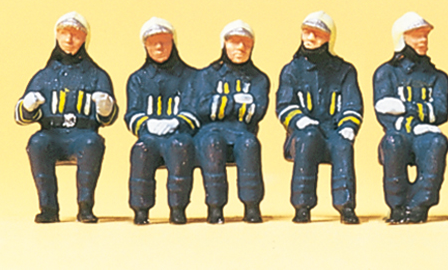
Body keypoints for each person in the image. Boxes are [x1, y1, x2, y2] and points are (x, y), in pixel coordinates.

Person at [15, 11, 118, 223]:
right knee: (37, 142)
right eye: (64, 33)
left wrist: (105, 109)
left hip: (83, 134)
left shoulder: (97, 76)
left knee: (93, 142)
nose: (69, 39)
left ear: (85, 38)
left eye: (76, 34)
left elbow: (108, 119)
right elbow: (20, 116)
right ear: (56, 36)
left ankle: (85, 207)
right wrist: (28, 105)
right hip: (52, 134)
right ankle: (48, 208)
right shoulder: (44, 76)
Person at [275, 11, 363, 224]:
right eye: (306, 32)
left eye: (317, 33)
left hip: (333, 130)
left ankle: (346, 206)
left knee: (343, 146)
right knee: (308, 140)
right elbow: (284, 105)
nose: (310, 37)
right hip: (304, 132)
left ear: (329, 38)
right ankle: (302, 206)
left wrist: (348, 126)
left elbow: (352, 104)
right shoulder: (291, 70)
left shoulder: (344, 70)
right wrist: (300, 121)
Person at [373, 12, 448, 224]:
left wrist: (405, 108)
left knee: (437, 142)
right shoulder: (386, 73)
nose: (423, 40)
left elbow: (441, 111)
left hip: (425, 133)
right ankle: (397, 206)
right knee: (393, 143)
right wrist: (416, 123)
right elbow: (384, 112)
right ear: (402, 38)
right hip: (398, 132)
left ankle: (419, 205)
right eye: (417, 36)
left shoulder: (438, 77)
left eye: (425, 35)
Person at [193, 20, 270, 224]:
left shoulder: (259, 79)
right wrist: (235, 101)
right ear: (224, 44)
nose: (241, 47)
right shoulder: (207, 75)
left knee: (249, 145)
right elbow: (201, 108)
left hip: (242, 131)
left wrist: (220, 104)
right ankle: (215, 208)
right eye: (234, 42)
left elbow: (257, 111)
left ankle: (252, 207)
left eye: (246, 43)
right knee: (212, 145)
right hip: (210, 132)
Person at [125, 17, 200, 225]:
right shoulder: (138, 79)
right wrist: (147, 124)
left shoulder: (192, 77)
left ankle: (178, 208)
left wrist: (177, 123)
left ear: (173, 43)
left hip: (179, 135)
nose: (159, 47)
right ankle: (141, 210)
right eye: (153, 43)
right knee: (141, 150)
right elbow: (132, 113)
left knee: (180, 148)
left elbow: (195, 111)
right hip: (149, 137)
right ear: (145, 46)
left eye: (164, 42)